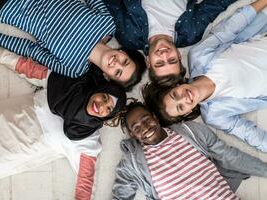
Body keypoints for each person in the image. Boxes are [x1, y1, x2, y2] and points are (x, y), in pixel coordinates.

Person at [0, 35, 125, 200]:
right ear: (98, 90)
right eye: (104, 97)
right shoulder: (65, 85)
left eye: (108, 109)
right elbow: (22, 65)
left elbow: (86, 186)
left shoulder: (87, 140)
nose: (101, 106)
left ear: (108, 117)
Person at [142, 0, 267, 152]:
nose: (185, 98)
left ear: (176, 85)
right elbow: (252, 136)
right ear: (187, 112)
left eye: (176, 95)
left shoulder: (199, 55)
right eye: (181, 107)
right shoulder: (215, 115)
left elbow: (233, 25)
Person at [0, 0, 147, 90]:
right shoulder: (108, 24)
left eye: (117, 72)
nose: (117, 63)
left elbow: (31, 50)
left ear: (107, 77)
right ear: (124, 52)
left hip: (11, 6)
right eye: (125, 61)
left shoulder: (74, 69)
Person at [112, 102, 267, 199]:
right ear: (133, 135)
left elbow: (229, 156)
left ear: (155, 117)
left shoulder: (190, 131)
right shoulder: (132, 162)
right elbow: (121, 194)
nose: (145, 127)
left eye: (146, 119)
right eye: (136, 127)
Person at [104, 0, 238, 84]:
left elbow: (112, 4)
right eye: (172, 60)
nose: (164, 55)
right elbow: (216, 4)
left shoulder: (128, 37)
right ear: (179, 55)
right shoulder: (191, 33)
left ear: (148, 62)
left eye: (159, 63)